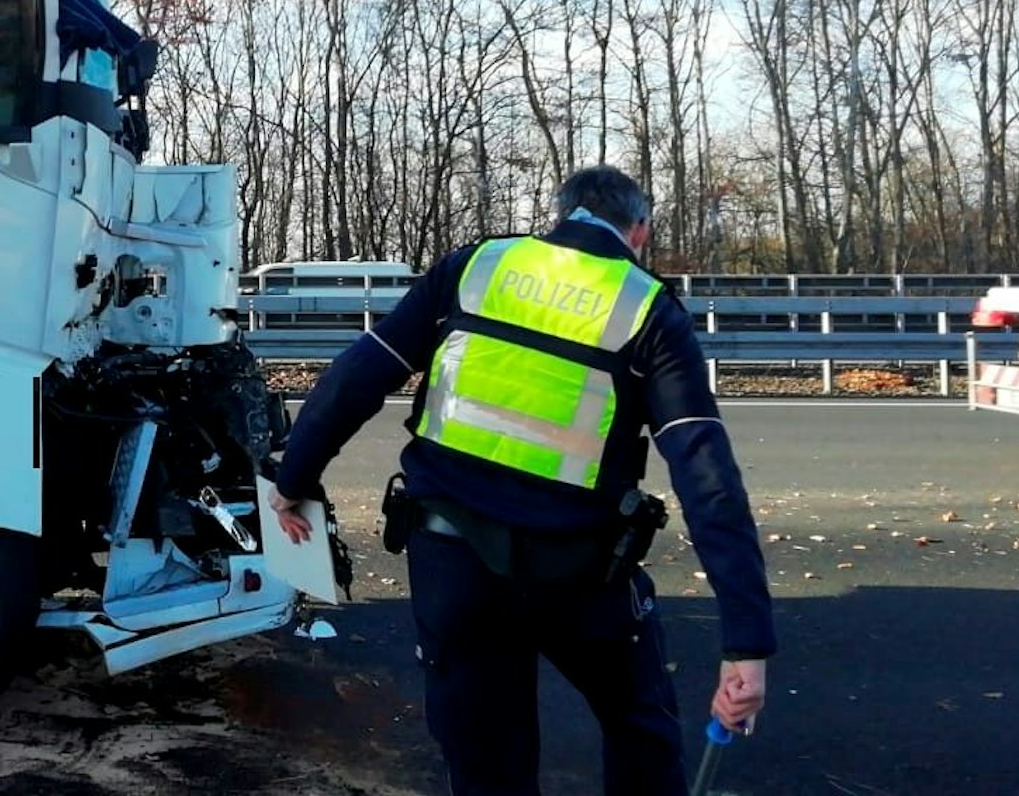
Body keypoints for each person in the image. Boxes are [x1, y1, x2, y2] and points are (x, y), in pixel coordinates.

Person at [266, 165, 775, 795]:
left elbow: (355, 380)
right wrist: (746, 642)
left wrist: (294, 479)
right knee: (638, 725)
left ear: (559, 215)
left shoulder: (475, 267)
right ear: (638, 231)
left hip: (454, 565)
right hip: (582, 574)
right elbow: (707, 477)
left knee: (487, 765)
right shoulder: (647, 309)